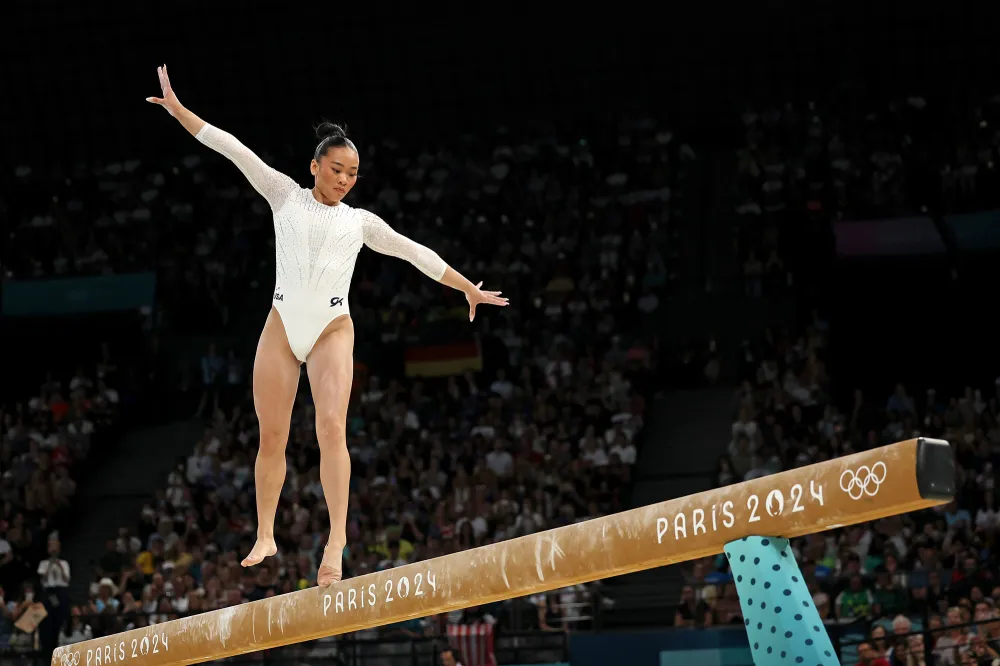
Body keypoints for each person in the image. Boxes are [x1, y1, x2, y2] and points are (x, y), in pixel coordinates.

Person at [147, 64, 508, 586]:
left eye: (352, 174)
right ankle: (266, 533)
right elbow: (231, 148)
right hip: (281, 326)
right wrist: (180, 111)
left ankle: (336, 540)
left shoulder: (360, 223)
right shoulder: (283, 194)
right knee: (271, 436)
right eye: (336, 168)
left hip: (331, 330)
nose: (344, 179)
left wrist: (466, 286)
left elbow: (416, 253)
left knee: (331, 428)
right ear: (314, 165)